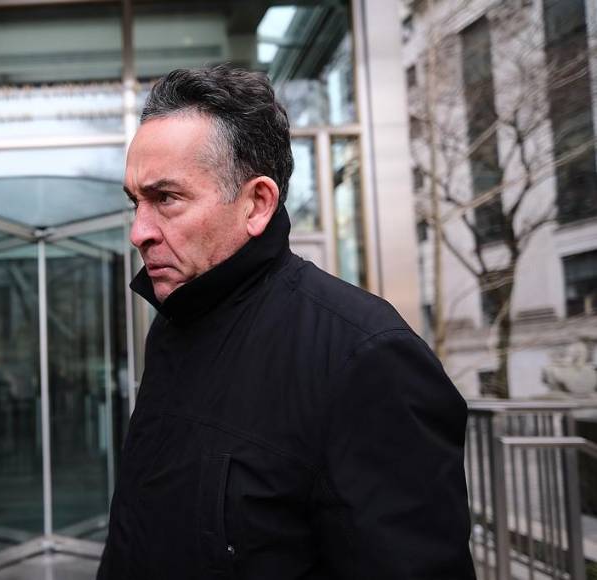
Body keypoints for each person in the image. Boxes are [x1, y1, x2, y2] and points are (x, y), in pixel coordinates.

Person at [97, 65, 475, 579]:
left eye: (166, 198)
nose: (139, 231)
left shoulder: (365, 357)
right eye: (136, 202)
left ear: (257, 204)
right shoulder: (173, 325)